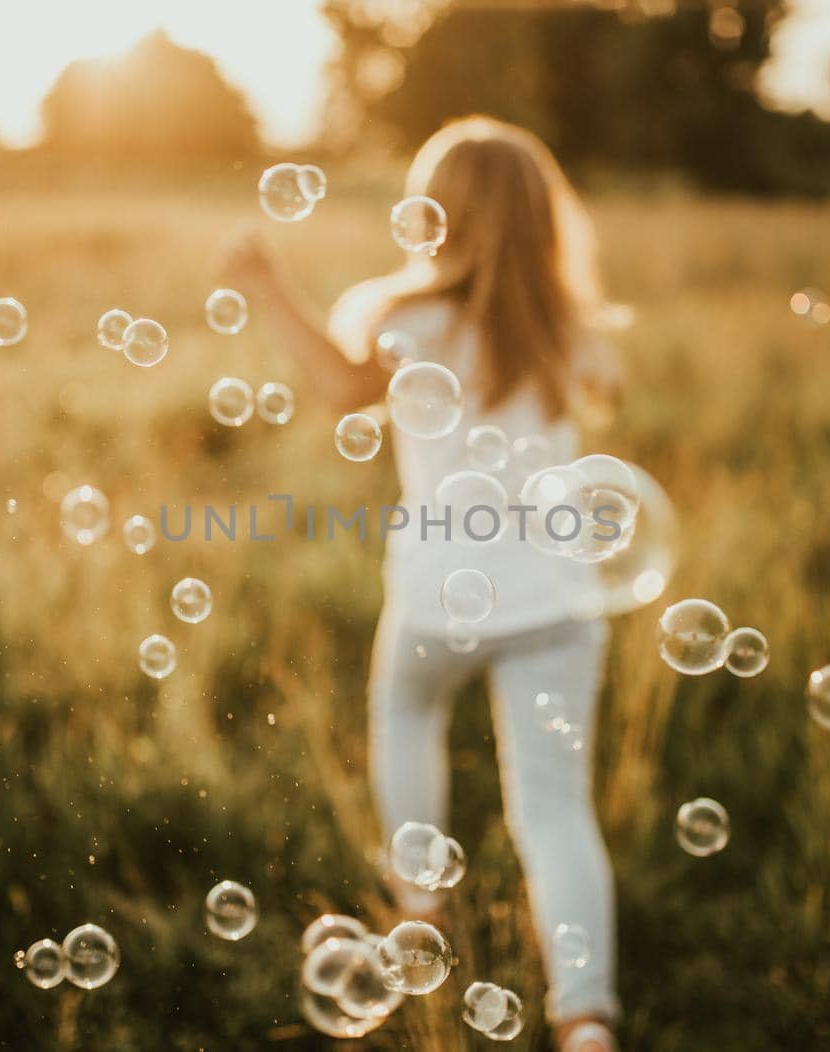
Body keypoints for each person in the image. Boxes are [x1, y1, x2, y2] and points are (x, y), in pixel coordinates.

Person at [218, 115, 620, 1052]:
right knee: (556, 807)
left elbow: (339, 387)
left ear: (431, 217)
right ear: (544, 222)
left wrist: (264, 283)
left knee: (406, 716)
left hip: (443, 592)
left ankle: (421, 915)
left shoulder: (405, 319)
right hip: (559, 599)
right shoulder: (571, 325)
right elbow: (607, 388)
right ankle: (588, 1019)